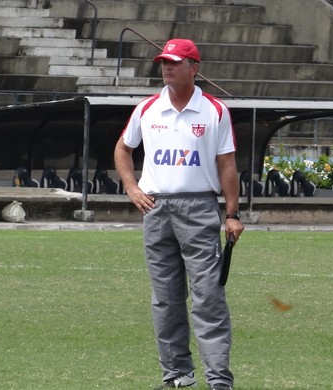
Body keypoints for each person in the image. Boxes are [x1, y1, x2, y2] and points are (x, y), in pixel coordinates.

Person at [114, 38, 244, 390]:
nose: (167, 68)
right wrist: (132, 188)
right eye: (163, 62)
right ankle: (178, 375)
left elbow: (227, 165)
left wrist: (232, 214)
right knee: (165, 298)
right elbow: (123, 149)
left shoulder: (215, 110)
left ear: (194, 67)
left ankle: (218, 380)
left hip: (199, 207)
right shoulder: (147, 108)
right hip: (155, 209)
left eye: (174, 62)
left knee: (208, 296)